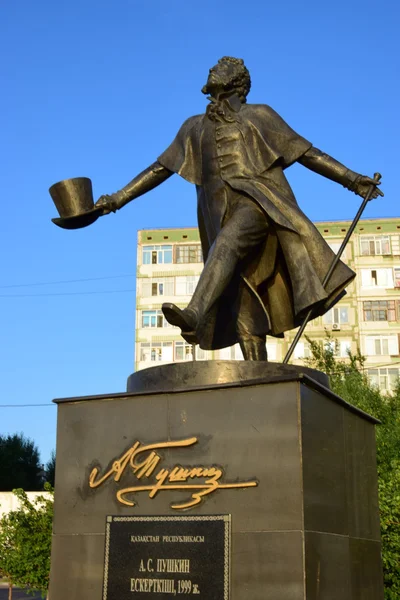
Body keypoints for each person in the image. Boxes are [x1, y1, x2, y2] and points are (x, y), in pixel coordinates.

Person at [95, 56, 382, 361]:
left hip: (260, 204)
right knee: (243, 308)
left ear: (237, 80)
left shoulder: (260, 115)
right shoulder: (193, 127)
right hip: (216, 217)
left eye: (221, 67)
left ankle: (194, 313)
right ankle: (259, 383)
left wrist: (351, 180)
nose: (211, 69)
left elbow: (307, 152)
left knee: (228, 242)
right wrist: (116, 199)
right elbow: (160, 169)